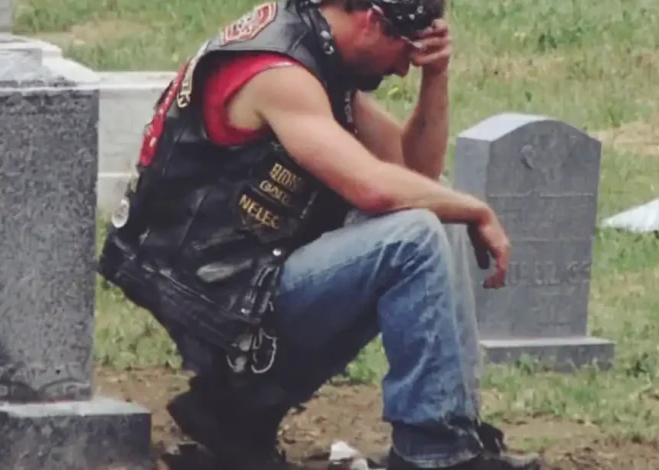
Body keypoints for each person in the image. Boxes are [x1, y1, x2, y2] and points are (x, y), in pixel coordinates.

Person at [97, 0, 542, 469]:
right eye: (406, 52)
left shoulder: (319, 56)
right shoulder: (279, 72)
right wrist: (478, 208)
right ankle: (434, 452)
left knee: (430, 210)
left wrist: (437, 78)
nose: (403, 69)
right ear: (372, 21)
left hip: (241, 282)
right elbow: (372, 188)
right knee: (413, 237)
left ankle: (234, 416)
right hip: (216, 299)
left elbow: (416, 175)